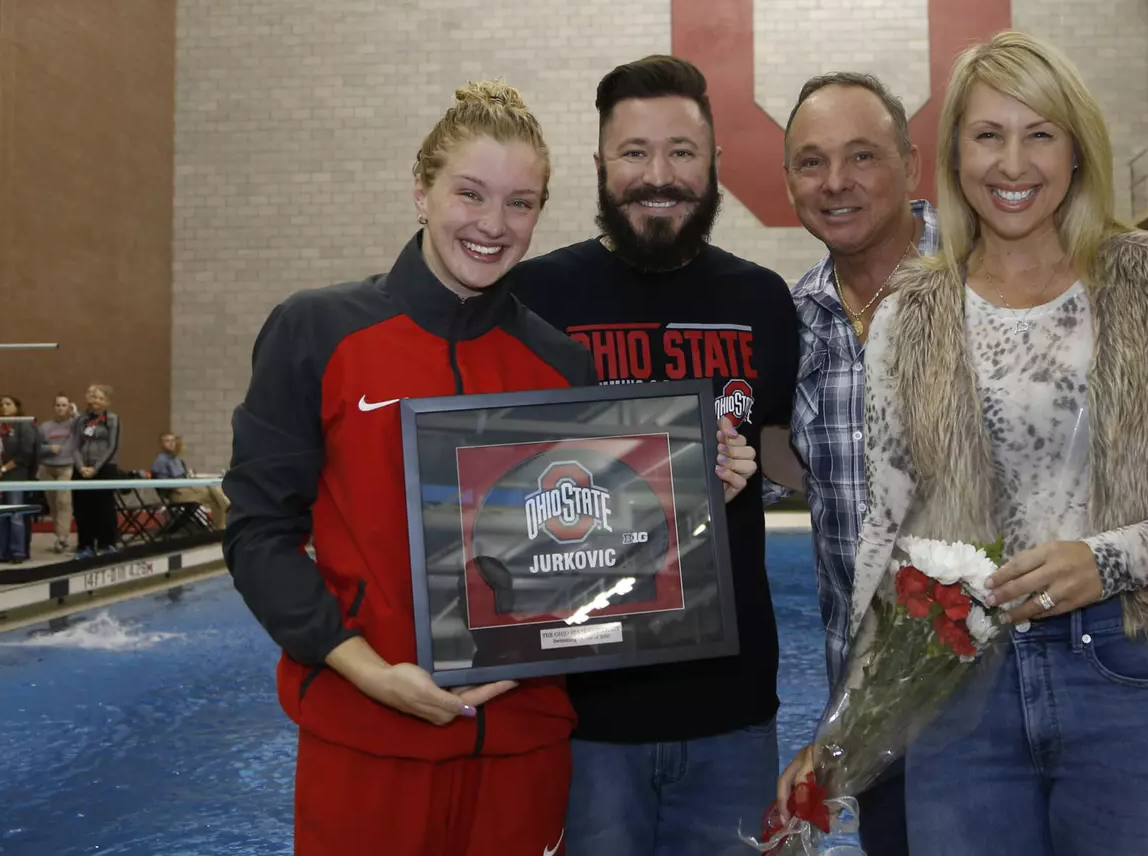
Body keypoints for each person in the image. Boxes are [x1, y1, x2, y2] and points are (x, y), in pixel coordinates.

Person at [786, 30, 1148, 855]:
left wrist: (1111, 560)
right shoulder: (909, 315)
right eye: (989, 136)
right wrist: (848, 725)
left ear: (1077, 148)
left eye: (1039, 134)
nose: (1012, 163)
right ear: (954, 155)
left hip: (1134, 679)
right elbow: (884, 532)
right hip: (959, 693)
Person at [224, 80, 734, 856]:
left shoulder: (560, 367)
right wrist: (364, 670)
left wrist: (688, 503)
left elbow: (589, 560)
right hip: (366, 739)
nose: (493, 226)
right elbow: (259, 532)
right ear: (421, 190)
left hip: (523, 753)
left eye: (521, 203)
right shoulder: (319, 332)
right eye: (471, 194)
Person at [510, 55, 800, 856]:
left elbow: (789, 455)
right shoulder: (533, 298)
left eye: (681, 152)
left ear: (713, 166)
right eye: (633, 152)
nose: (657, 175)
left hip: (734, 712)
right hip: (582, 718)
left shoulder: (760, 301)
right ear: (601, 164)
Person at [763, 72, 941, 856]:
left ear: (911, 161)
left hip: (1012, 714)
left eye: (861, 156)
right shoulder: (791, 327)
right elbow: (768, 469)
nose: (835, 183)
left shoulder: (991, 283)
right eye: (811, 162)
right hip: (876, 717)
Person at [69, 384, 122, 558]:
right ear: (89, 399)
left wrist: (95, 468)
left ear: (107, 402)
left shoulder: (112, 419)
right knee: (82, 509)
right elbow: (75, 445)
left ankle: (107, 544)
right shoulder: (81, 419)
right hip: (82, 468)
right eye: (94, 397)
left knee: (104, 508)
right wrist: (81, 467)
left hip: (104, 468)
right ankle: (85, 546)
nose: (97, 401)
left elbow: (111, 446)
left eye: (101, 398)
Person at [0, 395, 38, 564]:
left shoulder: (24, 425)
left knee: (16, 516)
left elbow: (25, 453)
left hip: (15, 476)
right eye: (2, 404)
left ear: (17, 407)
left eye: (8, 404)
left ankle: (18, 552)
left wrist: (3, 469)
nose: (4, 407)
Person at [151, 432, 229, 531]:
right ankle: (227, 505)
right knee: (214, 492)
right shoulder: (160, 461)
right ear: (161, 444)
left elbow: (185, 476)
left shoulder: (176, 460)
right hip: (176, 493)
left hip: (186, 489)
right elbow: (162, 483)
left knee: (215, 496)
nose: (171, 443)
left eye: (173, 440)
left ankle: (220, 528)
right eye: (167, 441)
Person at [37, 394, 78, 553]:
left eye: (64, 405)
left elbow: (84, 427)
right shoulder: (45, 427)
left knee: (64, 502)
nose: (61, 408)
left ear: (68, 407)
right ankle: (59, 535)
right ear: (54, 407)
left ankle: (63, 538)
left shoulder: (73, 425)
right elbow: (37, 448)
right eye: (58, 405)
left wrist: (75, 412)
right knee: (53, 503)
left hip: (66, 466)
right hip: (47, 467)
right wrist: (49, 449)